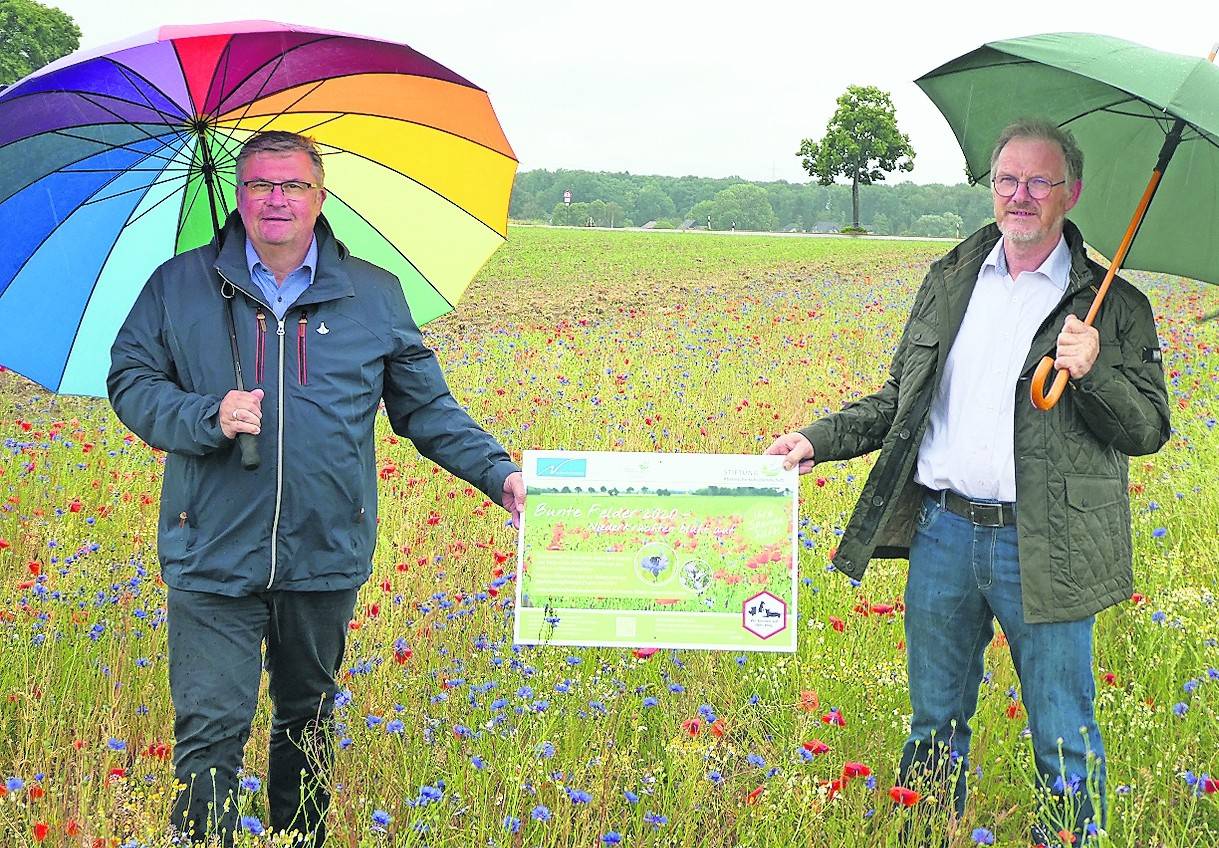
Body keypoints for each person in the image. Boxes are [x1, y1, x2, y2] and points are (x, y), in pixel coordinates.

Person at [108, 131, 525, 846]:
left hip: (324, 547)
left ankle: (299, 838)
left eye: (292, 186)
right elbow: (131, 382)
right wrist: (204, 414)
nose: (276, 200)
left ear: (319, 197)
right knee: (210, 731)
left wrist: (502, 474)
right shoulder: (176, 286)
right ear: (238, 196)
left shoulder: (374, 294)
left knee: (307, 720)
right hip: (209, 547)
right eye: (261, 185)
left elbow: (426, 410)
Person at [766, 118, 1169, 843]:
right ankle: (927, 835)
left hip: (1048, 547)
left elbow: (1146, 432)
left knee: (1061, 730)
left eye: (1038, 181)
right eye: (1006, 179)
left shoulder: (1111, 305)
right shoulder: (951, 279)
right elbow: (898, 398)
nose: (1019, 195)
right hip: (943, 535)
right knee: (933, 720)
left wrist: (1094, 369)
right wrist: (815, 441)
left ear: (1068, 193)